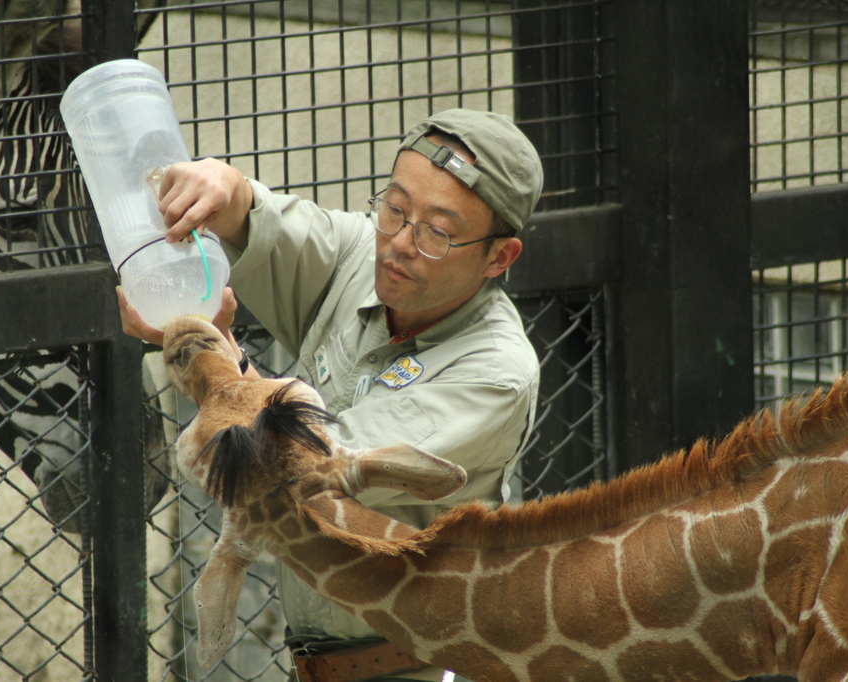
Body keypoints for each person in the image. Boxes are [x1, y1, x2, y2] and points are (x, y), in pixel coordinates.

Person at [120, 109, 543, 682]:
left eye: (437, 232)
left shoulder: (494, 371)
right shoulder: (361, 253)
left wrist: (204, 355)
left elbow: (304, 469)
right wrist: (223, 187)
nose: (399, 243)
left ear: (500, 257)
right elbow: (258, 218)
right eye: (395, 207)